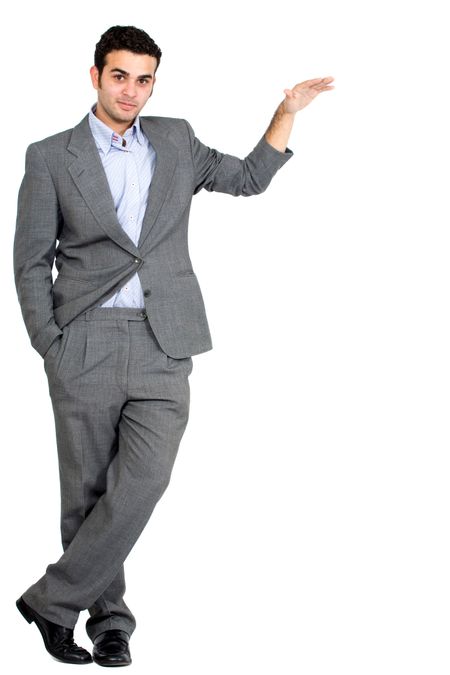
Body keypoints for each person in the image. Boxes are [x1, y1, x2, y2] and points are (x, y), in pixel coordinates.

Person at [13, 25, 334, 667]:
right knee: (86, 491)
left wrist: (284, 114)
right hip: (85, 340)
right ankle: (109, 623)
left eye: (144, 78)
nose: (132, 90)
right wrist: (52, 343)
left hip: (166, 341)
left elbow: (246, 180)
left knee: (144, 480)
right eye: (119, 76)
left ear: (154, 81)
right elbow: (29, 262)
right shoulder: (50, 156)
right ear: (96, 76)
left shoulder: (174, 139)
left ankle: (52, 600)